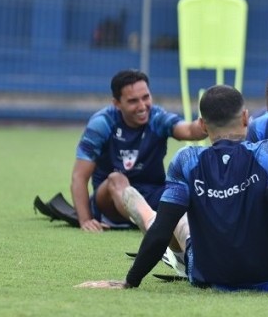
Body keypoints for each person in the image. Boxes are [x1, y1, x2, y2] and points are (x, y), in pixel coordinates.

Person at [75, 85, 268, 298]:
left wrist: (130, 281)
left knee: (167, 221)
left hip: (209, 275)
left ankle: (143, 213)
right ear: (246, 117)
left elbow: (162, 229)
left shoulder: (186, 160)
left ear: (203, 125)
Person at [71, 69, 207, 232]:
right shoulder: (102, 123)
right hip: (109, 201)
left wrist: (212, 120)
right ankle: (152, 227)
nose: (142, 106)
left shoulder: (157, 118)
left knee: (191, 183)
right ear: (117, 103)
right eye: (133, 101)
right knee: (116, 179)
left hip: (153, 194)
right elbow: (79, 176)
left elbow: (190, 131)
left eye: (146, 97)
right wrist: (85, 220)